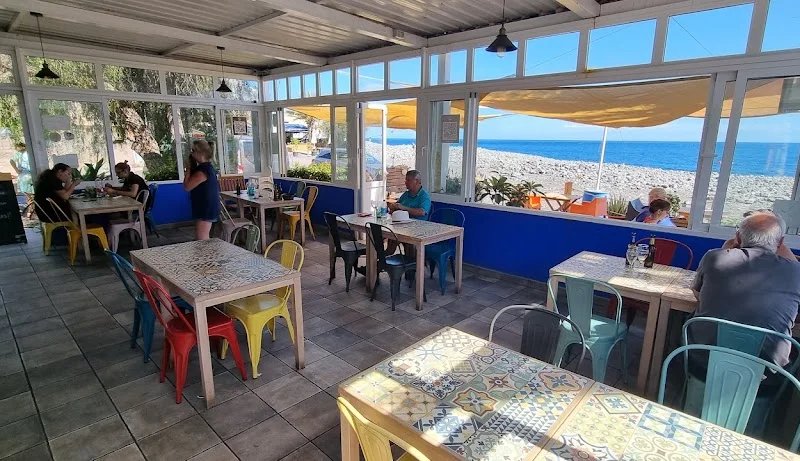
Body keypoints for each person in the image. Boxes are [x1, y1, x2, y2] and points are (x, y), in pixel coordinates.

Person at [691, 212, 800, 382]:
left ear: (737, 237)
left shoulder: (713, 257)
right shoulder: (796, 271)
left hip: (704, 363)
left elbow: (698, 294)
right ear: (780, 243)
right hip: (764, 375)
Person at [183, 140, 219, 240]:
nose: (191, 154)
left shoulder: (203, 171)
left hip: (206, 208)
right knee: (201, 237)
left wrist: (188, 168)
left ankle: (207, 251)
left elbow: (187, 187)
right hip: (205, 207)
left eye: (193, 151)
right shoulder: (206, 168)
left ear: (200, 153)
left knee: (202, 239)